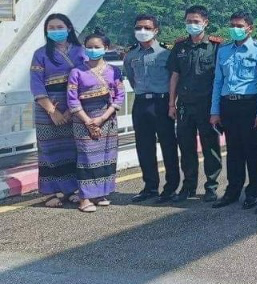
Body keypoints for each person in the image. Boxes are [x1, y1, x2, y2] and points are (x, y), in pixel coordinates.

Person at [209, 11, 257, 209]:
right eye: (232, 25)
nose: (235, 29)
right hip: (228, 105)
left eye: (239, 25)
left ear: (249, 28)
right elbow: (218, 82)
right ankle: (232, 191)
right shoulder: (224, 50)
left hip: (249, 104)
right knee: (234, 151)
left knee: (253, 151)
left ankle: (253, 192)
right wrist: (215, 110)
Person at [29, 14, 87, 208]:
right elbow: (36, 84)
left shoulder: (80, 52)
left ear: (69, 28)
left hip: (74, 103)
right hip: (47, 107)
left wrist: (72, 109)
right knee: (48, 149)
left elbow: (86, 80)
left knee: (73, 148)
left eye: (59, 26)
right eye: (50, 28)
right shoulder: (40, 54)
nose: (55, 31)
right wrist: (52, 111)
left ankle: (71, 189)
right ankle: (50, 191)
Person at [167, 5, 223, 202]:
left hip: (207, 105)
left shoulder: (216, 46)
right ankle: (188, 186)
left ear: (205, 23)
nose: (192, 25)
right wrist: (171, 104)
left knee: (210, 147)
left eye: (196, 22)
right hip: (184, 105)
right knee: (186, 146)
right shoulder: (180, 47)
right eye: (189, 21)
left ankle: (211, 186)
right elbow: (174, 76)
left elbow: (220, 78)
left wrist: (218, 108)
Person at [123, 14, 180, 204]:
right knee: (144, 146)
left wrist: (172, 103)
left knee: (168, 145)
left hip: (162, 102)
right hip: (141, 103)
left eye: (147, 28)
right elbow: (131, 79)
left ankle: (171, 187)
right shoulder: (131, 55)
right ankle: (150, 186)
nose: (142, 31)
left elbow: (174, 79)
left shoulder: (166, 53)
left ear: (156, 30)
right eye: (139, 27)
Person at [66, 32, 125, 213]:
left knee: (106, 156)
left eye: (97, 47)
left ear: (106, 48)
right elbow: (72, 99)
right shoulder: (76, 72)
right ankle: (84, 198)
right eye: (89, 47)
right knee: (86, 158)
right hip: (83, 119)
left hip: (106, 119)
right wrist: (88, 121)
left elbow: (119, 96)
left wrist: (102, 118)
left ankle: (100, 193)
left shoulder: (114, 71)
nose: (93, 50)